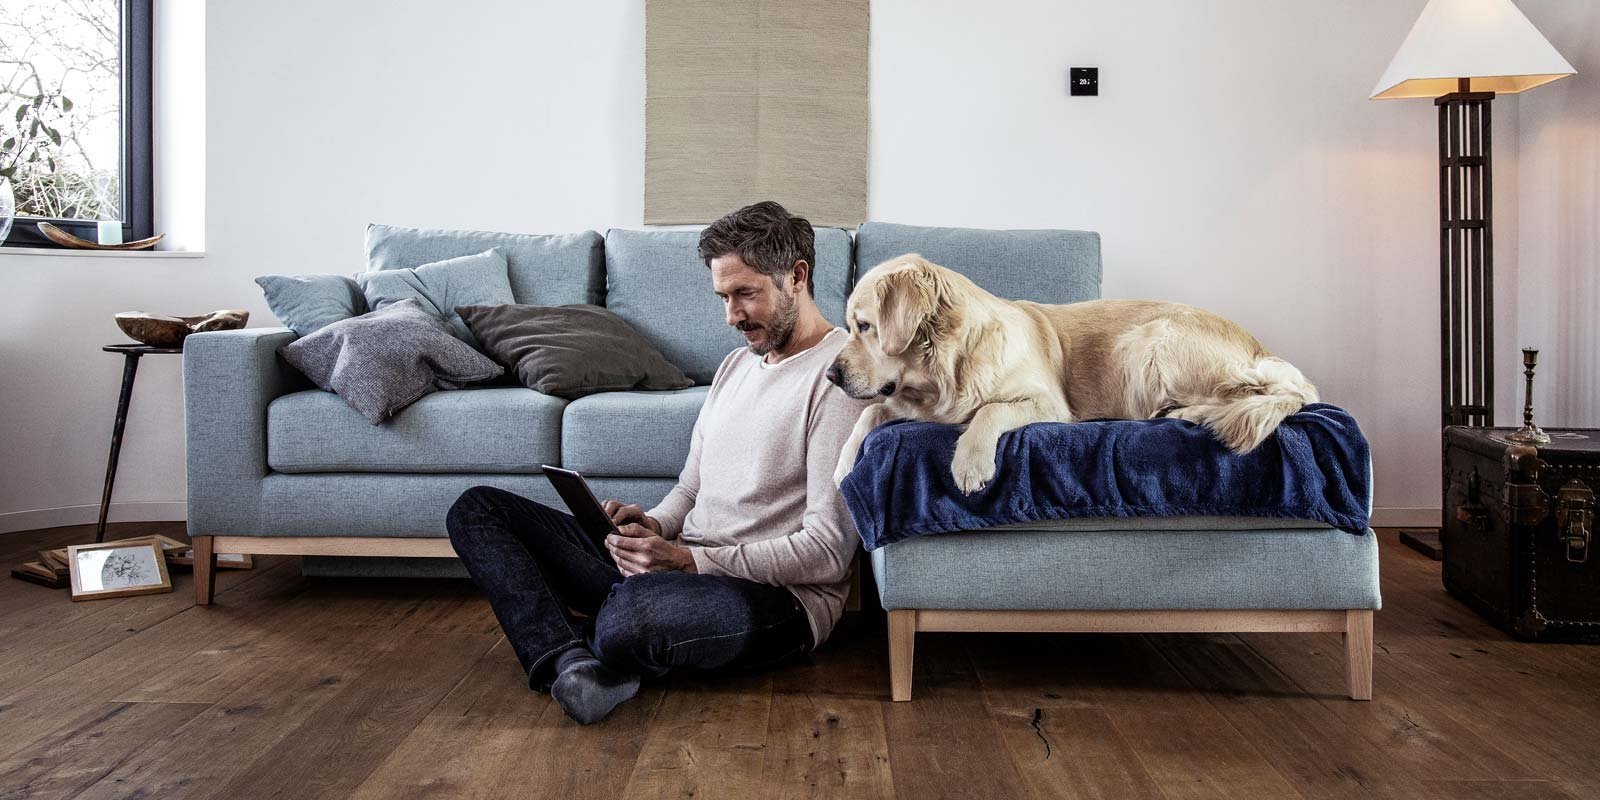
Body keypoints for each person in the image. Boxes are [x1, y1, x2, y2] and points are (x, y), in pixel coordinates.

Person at [446, 201, 873, 724]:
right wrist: (653, 524)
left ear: (796, 276)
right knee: (478, 509)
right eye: (723, 296)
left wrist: (689, 562)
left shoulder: (840, 380)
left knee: (631, 621)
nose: (731, 316)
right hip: (679, 566)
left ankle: (578, 635)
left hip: (775, 599)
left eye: (745, 294)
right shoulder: (735, 366)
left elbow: (827, 554)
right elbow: (692, 487)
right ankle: (572, 660)